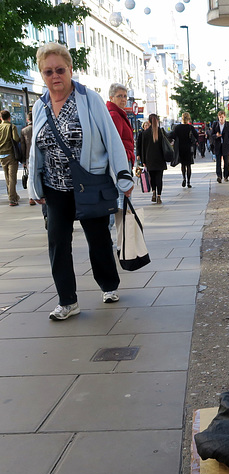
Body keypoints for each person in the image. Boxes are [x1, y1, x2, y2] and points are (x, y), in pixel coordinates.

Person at [28, 43, 133, 321]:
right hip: (55, 187)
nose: (55, 76)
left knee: (97, 238)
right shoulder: (40, 106)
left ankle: (109, 284)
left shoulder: (89, 99)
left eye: (59, 70)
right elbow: (35, 148)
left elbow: (111, 139)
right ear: (42, 74)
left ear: (70, 69)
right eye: (48, 71)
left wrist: (123, 175)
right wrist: (35, 185)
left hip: (88, 183)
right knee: (57, 243)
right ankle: (67, 300)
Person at [106, 83, 135, 226]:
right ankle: (121, 237)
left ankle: (121, 237)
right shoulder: (115, 115)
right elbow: (114, 143)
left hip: (124, 160)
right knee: (122, 199)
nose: (123, 99)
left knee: (122, 199)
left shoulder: (118, 114)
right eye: (119, 96)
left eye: (125, 96)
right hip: (121, 162)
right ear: (111, 97)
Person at [138, 113, 168, 204]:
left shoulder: (145, 133)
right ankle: (159, 196)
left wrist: (143, 161)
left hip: (149, 159)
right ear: (157, 121)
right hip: (160, 158)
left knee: (152, 177)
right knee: (159, 177)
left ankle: (154, 192)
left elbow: (142, 148)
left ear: (149, 121)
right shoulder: (161, 131)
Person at [169, 112, 198, 188]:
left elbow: (173, 136)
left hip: (180, 148)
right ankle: (188, 182)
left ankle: (184, 178)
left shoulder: (177, 127)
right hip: (188, 148)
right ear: (189, 118)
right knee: (188, 165)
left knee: (183, 165)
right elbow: (196, 136)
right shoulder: (190, 127)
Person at [0, 110, 21, 206]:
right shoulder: (12, 126)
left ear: (1, 118)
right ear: (9, 117)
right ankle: (12, 199)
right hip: (10, 154)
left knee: (7, 177)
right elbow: (16, 139)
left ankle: (14, 195)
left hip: (1, 155)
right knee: (12, 177)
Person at [211, 110, 229, 183]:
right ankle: (219, 176)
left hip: (226, 146)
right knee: (218, 161)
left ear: (225, 117)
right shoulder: (215, 125)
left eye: (222, 117)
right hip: (218, 145)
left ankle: (226, 176)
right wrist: (216, 135)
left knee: (226, 162)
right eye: (219, 117)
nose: (221, 119)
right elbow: (211, 135)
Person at [20, 113, 37, 206]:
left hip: (29, 156)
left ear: (27, 119)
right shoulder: (39, 127)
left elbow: (23, 146)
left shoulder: (24, 130)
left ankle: (31, 197)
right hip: (41, 155)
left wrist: (23, 160)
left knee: (30, 177)